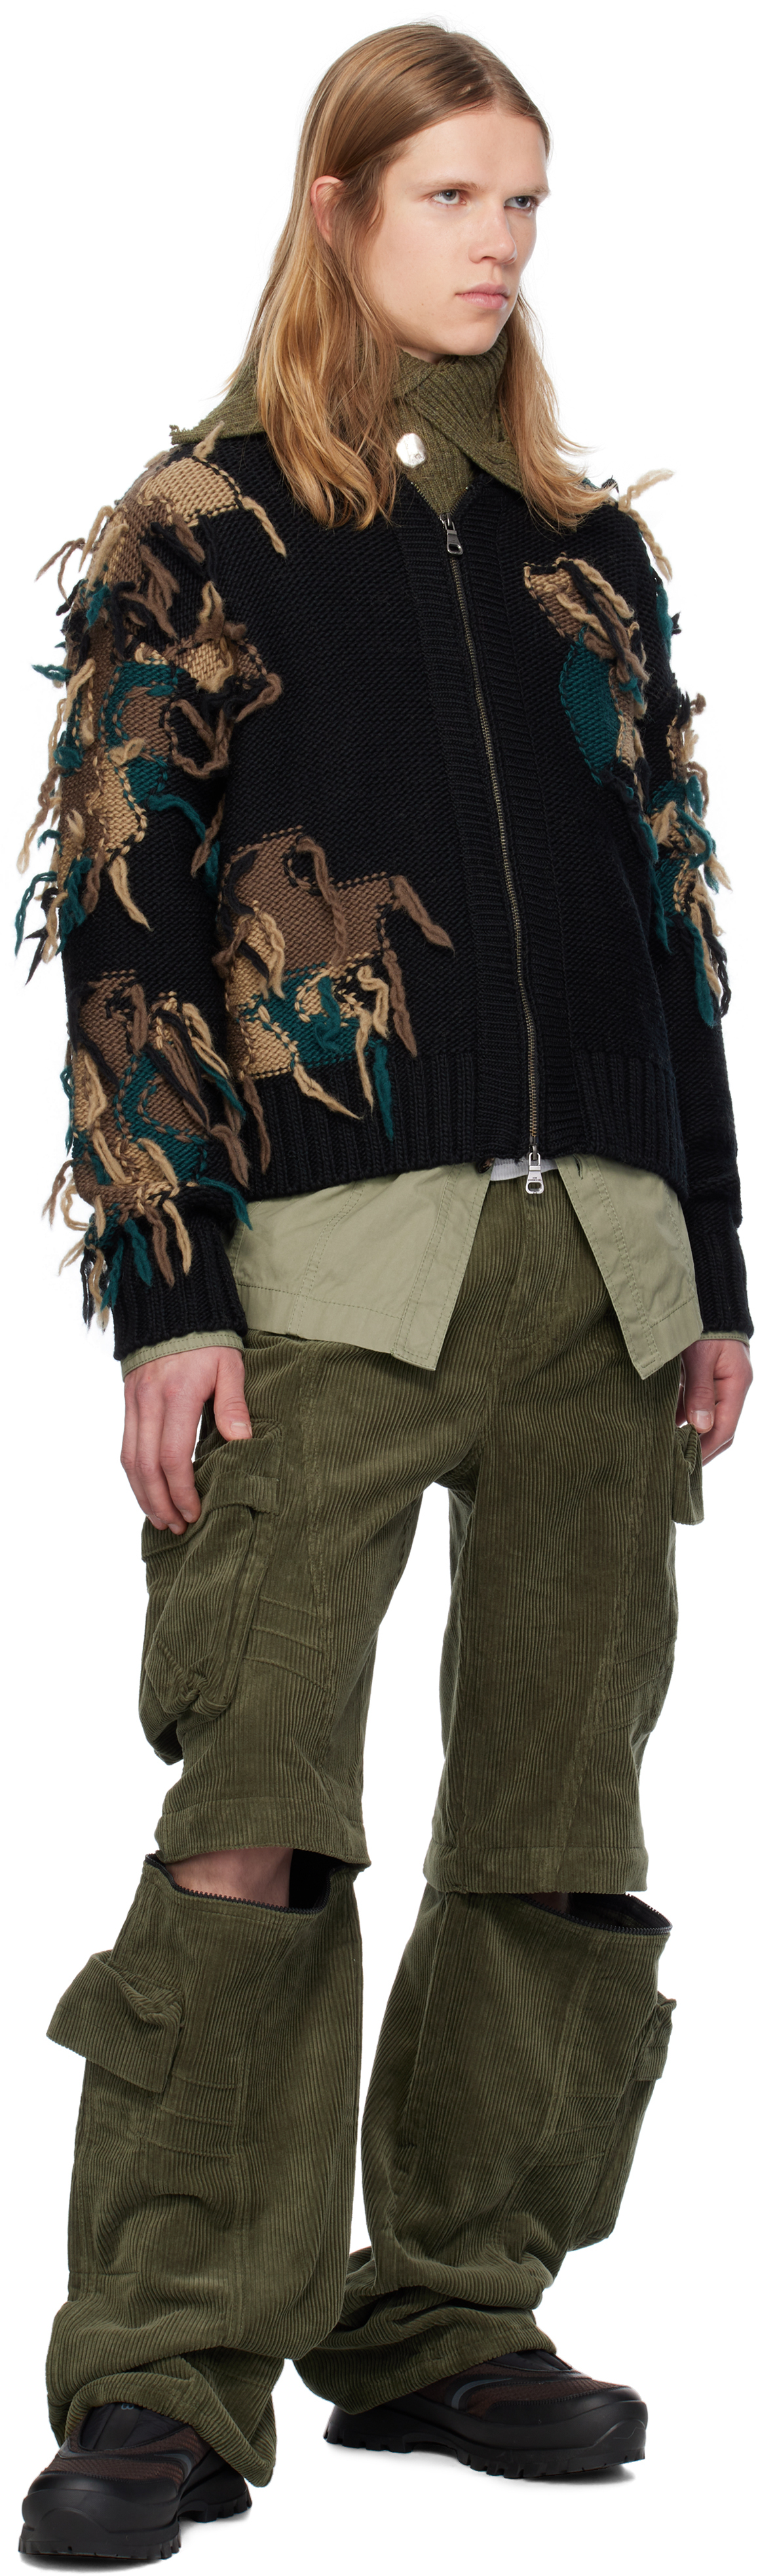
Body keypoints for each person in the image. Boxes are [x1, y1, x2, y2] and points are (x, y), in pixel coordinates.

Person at [16, 21, 752, 2561]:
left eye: (526, 202)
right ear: (334, 208)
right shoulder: (195, 538)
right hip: (320, 1281)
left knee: (557, 1830)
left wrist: (712, 1259)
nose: (500, 244)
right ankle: (161, 2370)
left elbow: (672, 922)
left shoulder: (585, 551)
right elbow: (121, 922)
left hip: (598, 1284)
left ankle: (447, 2311)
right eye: (453, 195)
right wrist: (165, 1292)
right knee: (256, 1820)